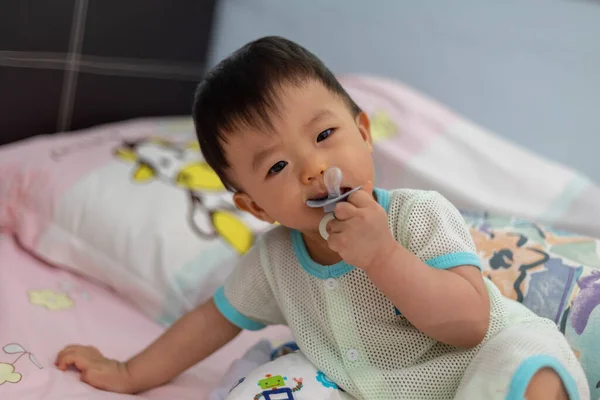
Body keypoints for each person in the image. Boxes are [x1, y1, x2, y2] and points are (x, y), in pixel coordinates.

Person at [55, 36, 589, 399]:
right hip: (365, 384)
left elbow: (471, 324)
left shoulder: (417, 216)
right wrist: (129, 372)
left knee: (532, 369)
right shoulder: (274, 260)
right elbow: (209, 323)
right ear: (256, 206)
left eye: (325, 135)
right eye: (279, 166)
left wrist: (382, 256)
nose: (314, 168)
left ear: (363, 130)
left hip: (480, 365)